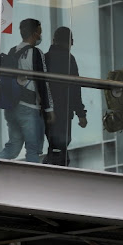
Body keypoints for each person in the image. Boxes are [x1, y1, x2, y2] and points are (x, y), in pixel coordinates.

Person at [0, 18, 55, 163]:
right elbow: (43, 82)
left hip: (11, 107)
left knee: (13, 147)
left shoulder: (12, 51)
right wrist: (49, 109)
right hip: (29, 107)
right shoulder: (36, 53)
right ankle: (32, 181)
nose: (40, 35)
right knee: (33, 149)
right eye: (40, 32)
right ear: (35, 33)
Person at [44, 27, 87, 166]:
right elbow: (75, 87)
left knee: (53, 143)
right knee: (62, 143)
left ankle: (51, 165)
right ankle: (57, 169)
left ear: (54, 40)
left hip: (45, 109)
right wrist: (81, 113)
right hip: (63, 109)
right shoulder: (69, 59)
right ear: (70, 41)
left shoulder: (45, 57)